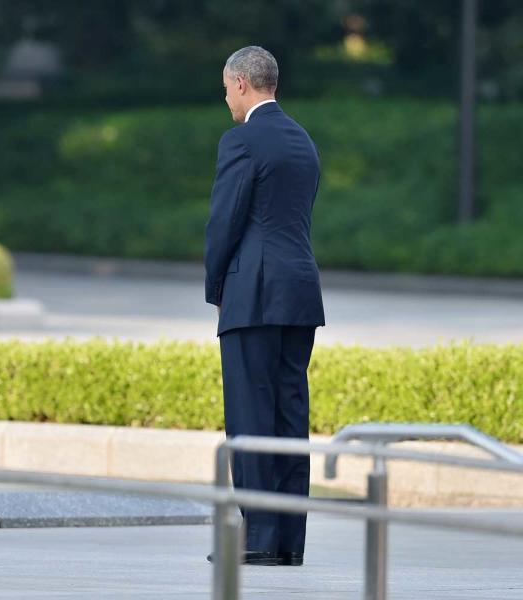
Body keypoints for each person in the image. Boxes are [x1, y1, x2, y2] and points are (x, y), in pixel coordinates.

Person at [204, 46, 325, 567]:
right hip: (299, 295)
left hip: (252, 296)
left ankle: (255, 538)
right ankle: (288, 542)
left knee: (250, 418)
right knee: (288, 418)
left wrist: (216, 288)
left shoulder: (242, 140)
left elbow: (224, 223)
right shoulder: (303, 141)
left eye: (227, 86)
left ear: (242, 83)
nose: (226, 96)